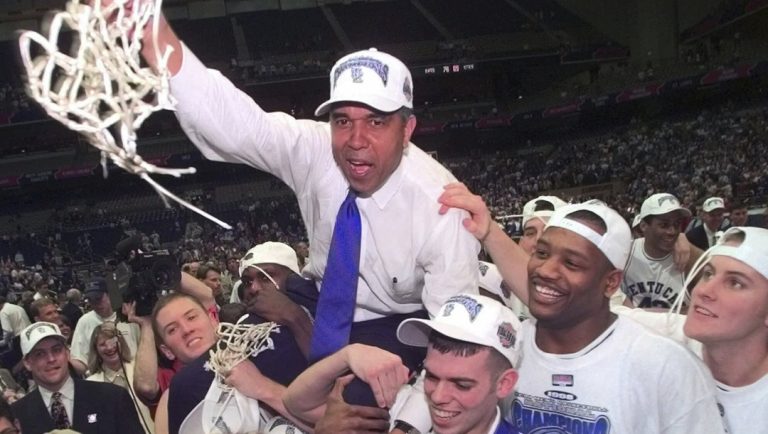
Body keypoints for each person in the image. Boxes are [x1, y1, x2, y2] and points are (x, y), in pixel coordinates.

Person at [140, 18, 480, 392]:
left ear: (407, 129)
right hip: (319, 301)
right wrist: (154, 35)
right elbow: (237, 126)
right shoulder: (315, 149)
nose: (356, 140)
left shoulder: (441, 206)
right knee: (214, 375)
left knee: (354, 405)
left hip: (394, 324)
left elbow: (453, 331)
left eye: (376, 122)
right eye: (342, 120)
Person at [504, 202, 725, 433]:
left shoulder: (665, 366)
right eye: (542, 253)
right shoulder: (507, 346)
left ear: (611, 283)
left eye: (572, 263)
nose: (545, 270)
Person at [284, 293, 522, 434]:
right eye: (431, 376)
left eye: (461, 385)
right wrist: (346, 355)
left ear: (504, 384)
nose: (438, 396)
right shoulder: (406, 408)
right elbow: (298, 404)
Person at [11, 322, 142, 434]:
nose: (51, 359)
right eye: (40, 354)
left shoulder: (112, 397)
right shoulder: (18, 414)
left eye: (56, 350)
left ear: (67, 353)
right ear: (27, 362)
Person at [622, 193, 703, 309]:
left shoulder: (689, 256)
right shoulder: (627, 252)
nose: (672, 231)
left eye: (677, 224)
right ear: (643, 226)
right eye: (664, 225)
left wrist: (691, 248)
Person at [85, 323, 154, 433]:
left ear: (121, 342)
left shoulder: (139, 369)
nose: (109, 347)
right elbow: (90, 420)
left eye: (112, 341)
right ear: (96, 350)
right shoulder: (90, 384)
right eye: (102, 344)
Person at [69, 278, 139, 375]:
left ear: (110, 295)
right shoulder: (84, 321)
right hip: (101, 377)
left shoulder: (129, 315)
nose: (95, 304)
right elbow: (80, 361)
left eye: (98, 299)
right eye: (91, 300)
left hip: (134, 372)